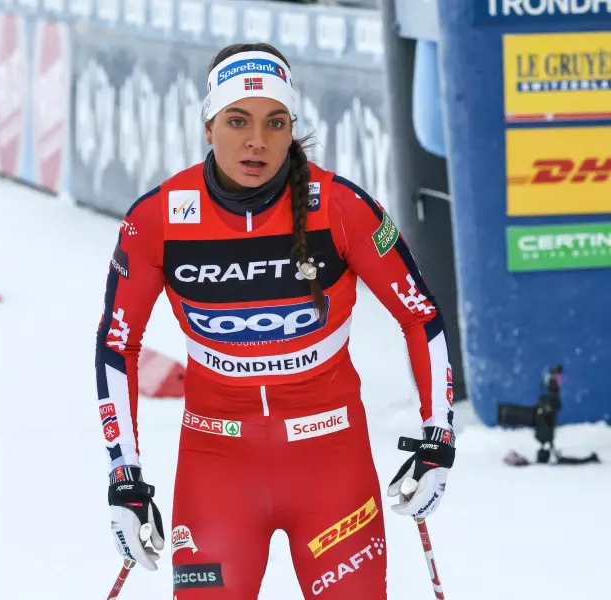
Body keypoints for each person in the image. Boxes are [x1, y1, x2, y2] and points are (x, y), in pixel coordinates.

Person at [96, 42, 456, 599]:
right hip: (217, 464)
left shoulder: (341, 207)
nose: (257, 141)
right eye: (237, 121)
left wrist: (438, 437)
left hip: (330, 460)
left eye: (275, 122)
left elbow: (420, 316)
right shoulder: (158, 218)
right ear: (209, 127)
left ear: (291, 131)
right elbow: (117, 345)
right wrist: (125, 475)